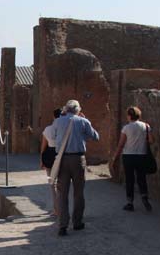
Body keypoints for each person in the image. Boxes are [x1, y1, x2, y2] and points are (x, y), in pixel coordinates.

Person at [50, 99, 99, 236]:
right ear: (78, 110)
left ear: (66, 109)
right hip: (78, 159)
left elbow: (53, 136)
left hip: (62, 159)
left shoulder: (58, 121)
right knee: (78, 192)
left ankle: (62, 225)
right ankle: (77, 222)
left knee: (62, 193)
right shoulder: (83, 121)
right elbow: (95, 137)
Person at [110, 106, 152, 212]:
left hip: (128, 156)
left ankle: (130, 202)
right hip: (142, 155)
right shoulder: (146, 126)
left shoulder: (126, 128)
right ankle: (144, 197)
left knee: (130, 179)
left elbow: (121, 144)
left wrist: (115, 157)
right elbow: (151, 140)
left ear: (129, 116)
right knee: (141, 177)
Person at [40, 109, 63, 216]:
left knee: (52, 184)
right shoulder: (65, 128)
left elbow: (43, 146)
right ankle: (62, 208)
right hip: (62, 155)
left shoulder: (48, 129)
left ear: (53, 117)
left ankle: (56, 210)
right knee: (62, 184)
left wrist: (41, 160)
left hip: (49, 156)